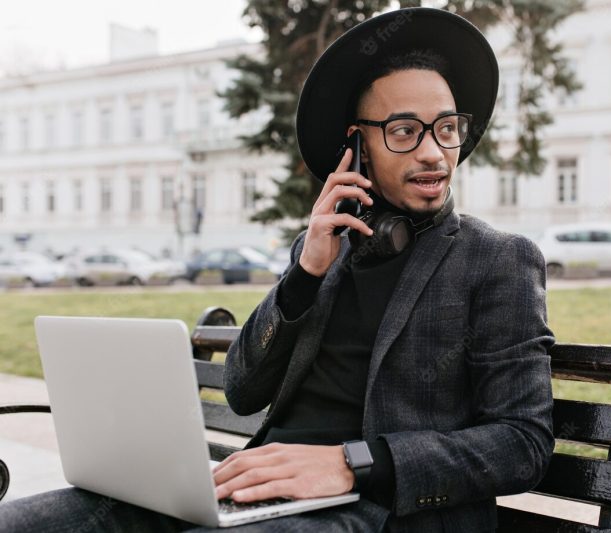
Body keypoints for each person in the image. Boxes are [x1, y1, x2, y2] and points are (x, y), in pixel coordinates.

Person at [0, 7, 553, 532]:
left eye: (447, 128)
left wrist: (353, 462)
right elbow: (242, 391)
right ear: (356, 147)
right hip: (250, 490)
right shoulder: (320, 251)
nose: (435, 153)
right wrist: (305, 275)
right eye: (405, 132)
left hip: (374, 510)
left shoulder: (497, 259)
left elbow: (523, 442)